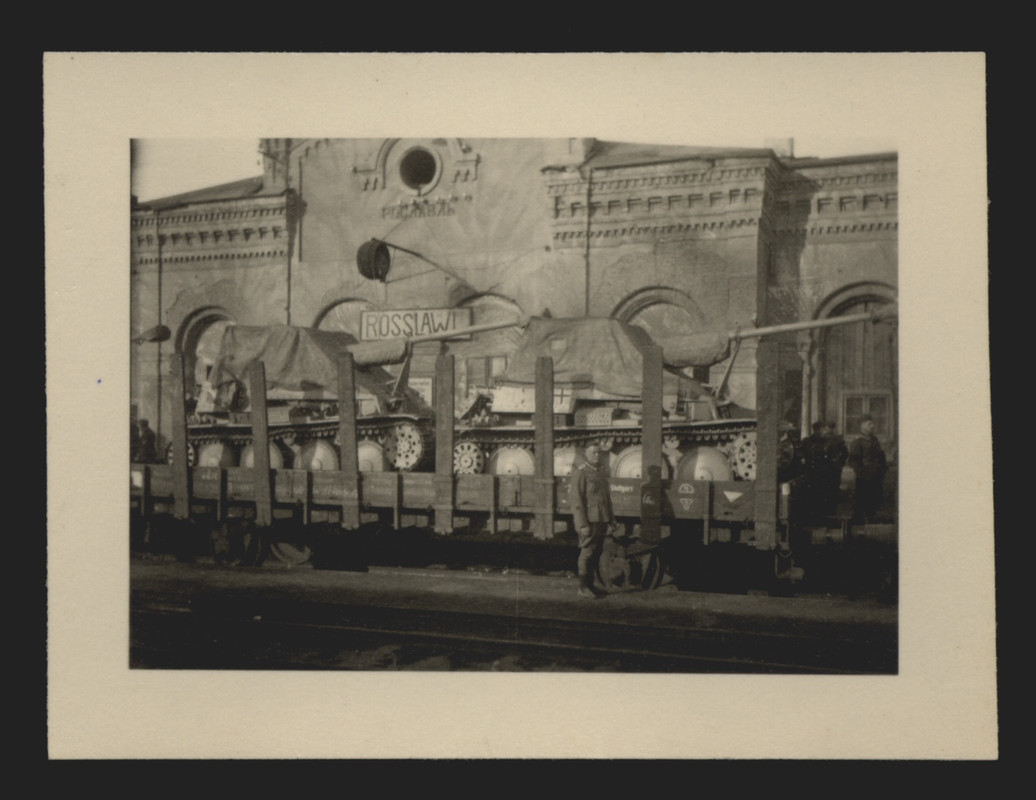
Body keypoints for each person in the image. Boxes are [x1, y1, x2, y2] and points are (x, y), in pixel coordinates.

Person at [568, 440, 615, 599]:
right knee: (587, 552)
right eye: (593, 452)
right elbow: (577, 501)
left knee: (596, 552)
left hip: (601, 519)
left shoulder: (600, 472)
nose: (597, 455)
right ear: (586, 454)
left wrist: (611, 520)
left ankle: (590, 585)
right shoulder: (581, 473)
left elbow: (606, 499)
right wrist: (582, 524)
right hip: (589, 520)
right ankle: (582, 588)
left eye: (598, 452)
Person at [849, 415, 886, 523]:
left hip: (876, 475)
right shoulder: (857, 441)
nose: (872, 426)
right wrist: (862, 473)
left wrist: (881, 470)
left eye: (872, 423)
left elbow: (880, 456)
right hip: (864, 476)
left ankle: (872, 524)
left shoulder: (874, 439)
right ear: (862, 425)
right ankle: (858, 526)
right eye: (869, 424)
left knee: (874, 501)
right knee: (861, 502)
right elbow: (854, 461)